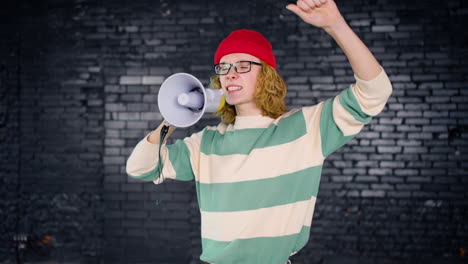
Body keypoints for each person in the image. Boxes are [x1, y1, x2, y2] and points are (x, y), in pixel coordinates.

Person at [126, 0, 392, 263]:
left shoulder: (307, 128)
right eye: (224, 67)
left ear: (266, 75)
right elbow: (140, 167)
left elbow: (375, 92)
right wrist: (172, 119)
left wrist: (336, 25)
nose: (230, 74)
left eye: (243, 65)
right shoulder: (205, 143)